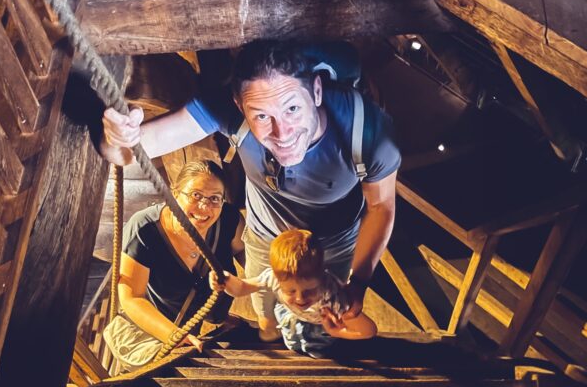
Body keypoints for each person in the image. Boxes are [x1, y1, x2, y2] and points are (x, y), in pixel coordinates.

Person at [102, 40, 400, 341]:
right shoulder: (226, 111)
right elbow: (129, 151)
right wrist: (117, 138)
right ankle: (267, 323)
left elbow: (381, 206)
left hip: (333, 242)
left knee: (328, 304)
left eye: (292, 109)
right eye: (261, 116)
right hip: (265, 235)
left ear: (317, 91)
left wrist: (358, 283)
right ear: (238, 106)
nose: (282, 134)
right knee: (264, 293)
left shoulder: (368, 132)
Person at [103, 159, 242, 372]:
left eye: (215, 198)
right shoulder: (145, 230)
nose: (205, 207)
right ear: (175, 194)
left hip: (197, 327)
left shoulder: (229, 220)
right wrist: (174, 336)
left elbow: (247, 254)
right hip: (157, 331)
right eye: (195, 195)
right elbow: (132, 297)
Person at [213, 228, 377, 356]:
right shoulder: (276, 277)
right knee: (289, 340)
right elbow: (241, 288)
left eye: (310, 290)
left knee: (317, 352)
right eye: (290, 290)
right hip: (290, 312)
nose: (300, 297)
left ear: (321, 277)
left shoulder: (332, 298)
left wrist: (337, 332)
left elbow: (368, 331)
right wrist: (225, 280)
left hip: (321, 323)